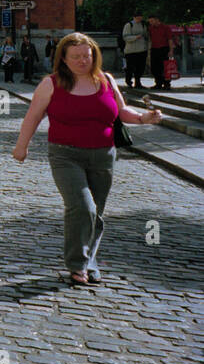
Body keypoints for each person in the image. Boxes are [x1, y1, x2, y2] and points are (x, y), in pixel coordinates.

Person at [11, 32, 164, 285]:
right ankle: (77, 264)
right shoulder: (51, 83)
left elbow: (122, 111)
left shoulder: (105, 80)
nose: (83, 60)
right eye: (76, 56)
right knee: (83, 207)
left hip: (104, 155)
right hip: (65, 154)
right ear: (64, 58)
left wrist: (143, 118)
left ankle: (90, 262)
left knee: (96, 213)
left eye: (87, 55)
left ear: (95, 55)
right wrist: (21, 146)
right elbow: (33, 116)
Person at [147, 15, 176, 90]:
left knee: (165, 67)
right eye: (149, 21)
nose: (151, 23)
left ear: (157, 20)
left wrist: (171, 50)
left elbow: (170, 39)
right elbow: (150, 39)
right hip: (154, 49)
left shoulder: (165, 28)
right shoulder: (150, 28)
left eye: (152, 21)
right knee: (155, 67)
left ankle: (167, 84)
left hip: (164, 48)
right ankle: (158, 83)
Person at [121, 13, 148, 89]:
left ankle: (138, 82)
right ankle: (129, 81)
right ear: (134, 17)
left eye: (140, 17)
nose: (139, 19)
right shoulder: (129, 25)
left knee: (140, 67)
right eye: (138, 18)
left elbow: (146, 36)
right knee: (130, 67)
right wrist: (136, 37)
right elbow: (125, 37)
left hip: (142, 50)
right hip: (131, 51)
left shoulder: (143, 25)